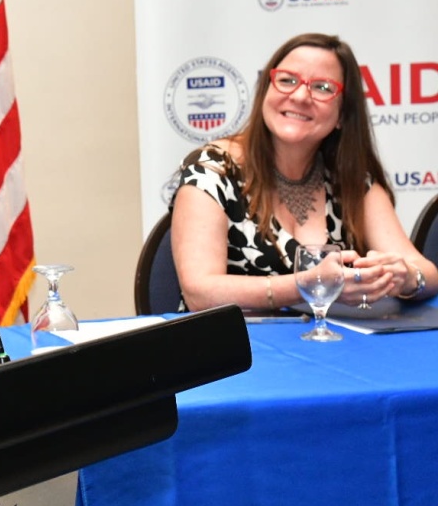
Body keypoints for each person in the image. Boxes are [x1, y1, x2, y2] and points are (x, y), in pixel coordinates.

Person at [170, 32, 438, 312]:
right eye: (287, 80)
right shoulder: (211, 170)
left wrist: (407, 278)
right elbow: (199, 292)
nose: (299, 96)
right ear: (266, 92)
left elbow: (426, 272)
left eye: (322, 87)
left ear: (342, 115)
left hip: (331, 350)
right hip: (233, 351)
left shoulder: (352, 183)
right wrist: (307, 284)